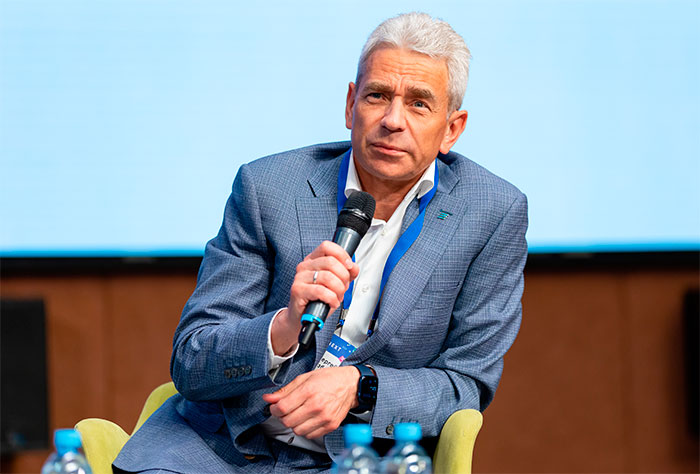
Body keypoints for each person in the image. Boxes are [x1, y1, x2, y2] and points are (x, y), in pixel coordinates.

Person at [114, 12, 528, 474]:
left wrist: (360, 386)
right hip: (216, 448)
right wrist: (283, 327)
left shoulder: (490, 213)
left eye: (418, 104)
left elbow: (466, 383)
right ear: (351, 104)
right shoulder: (267, 187)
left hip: (358, 458)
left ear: (452, 128)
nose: (392, 120)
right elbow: (192, 360)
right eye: (377, 96)